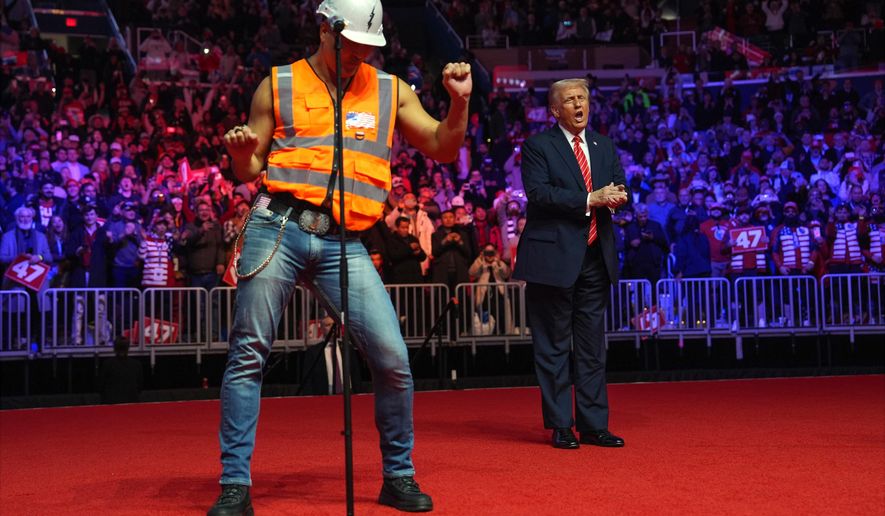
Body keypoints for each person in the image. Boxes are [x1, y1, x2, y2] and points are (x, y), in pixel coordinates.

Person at [210, 0, 472, 513]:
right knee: (248, 353)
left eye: (367, 46)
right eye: (350, 43)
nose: (358, 54)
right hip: (277, 226)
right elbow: (250, 169)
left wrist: (458, 104)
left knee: (393, 359)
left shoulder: (391, 90)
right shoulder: (278, 84)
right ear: (324, 30)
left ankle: (398, 476)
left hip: (346, 242)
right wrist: (242, 157)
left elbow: (443, 147)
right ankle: (235, 484)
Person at [513, 78, 629, 450]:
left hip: (596, 257)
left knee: (593, 348)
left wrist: (618, 196)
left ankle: (594, 425)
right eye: (570, 100)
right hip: (552, 260)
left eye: (583, 98)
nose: (578, 105)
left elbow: (619, 185)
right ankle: (561, 424)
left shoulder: (603, 145)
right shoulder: (538, 146)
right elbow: (539, 194)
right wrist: (591, 198)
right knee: (554, 347)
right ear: (554, 110)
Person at [98, 336, 144, 404]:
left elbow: (101, 386)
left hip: (111, 403)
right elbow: (140, 387)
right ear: (128, 348)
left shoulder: (107, 364)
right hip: (132, 403)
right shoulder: (136, 364)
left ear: (114, 348)